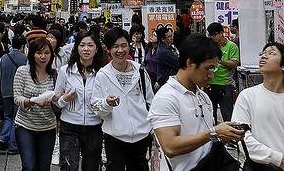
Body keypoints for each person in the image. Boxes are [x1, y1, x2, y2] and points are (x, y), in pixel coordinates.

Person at [148, 33, 245, 171]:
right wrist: (213, 133)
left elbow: (204, 140)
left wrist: (226, 134)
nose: (212, 74)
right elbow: (170, 146)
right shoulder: (166, 98)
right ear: (189, 63)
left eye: (214, 68)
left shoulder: (202, 96)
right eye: (209, 68)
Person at [91, 27, 154, 171]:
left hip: (141, 136)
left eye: (123, 45)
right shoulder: (103, 75)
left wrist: (152, 129)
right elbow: (95, 108)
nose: (120, 50)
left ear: (129, 46)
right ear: (108, 49)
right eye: (115, 47)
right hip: (114, 137)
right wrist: (107, 103)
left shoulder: (141, 71)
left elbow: (151, 102)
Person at [55, 31, 106, 171]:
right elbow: (56, 102)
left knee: (92, 167)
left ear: (96, 49)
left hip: (94, 126)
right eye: (82, 45)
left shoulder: (102, 73)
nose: (86, 49)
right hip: (69, 126)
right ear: (77, 48)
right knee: (68, 167)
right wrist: (65, 98)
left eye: (90, 45)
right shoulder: (66, 71)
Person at [231, 42, 284, 170]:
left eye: (271, 53)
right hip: (260, 167)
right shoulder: (247, 96)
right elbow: (241, 136)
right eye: (262, 54)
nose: (263, 57)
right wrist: (278, 158)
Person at [13, 37, 62, 171]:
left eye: (47, 53)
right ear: (32, 54)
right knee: (29, 166)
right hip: (25, 125)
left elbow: (58, 106)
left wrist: (58, 98)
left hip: (47, 127)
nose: (43, 57)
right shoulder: (23, 71)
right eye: (39, 53)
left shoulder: (55, 75)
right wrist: (33, 101)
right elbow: (16, 98)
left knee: (44, 167)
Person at [0, 35, 28, 155]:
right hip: (19, 92)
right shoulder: (25, 59)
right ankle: (13, 145)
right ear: (22, 46)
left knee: (8, 116)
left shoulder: (3, 58)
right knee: (16, 118)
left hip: (5, 91)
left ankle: (3, 137)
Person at [204, 22, 239, 124]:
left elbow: (233, 64)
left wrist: (219, 61)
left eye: (214, 35)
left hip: (225, 85)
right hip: (210, 84)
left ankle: (231, 139)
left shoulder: (231, 46)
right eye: (210, 35)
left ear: (221, 33)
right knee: (210, 116)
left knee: (227, 116)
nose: (212, 37)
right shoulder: (210, 47)